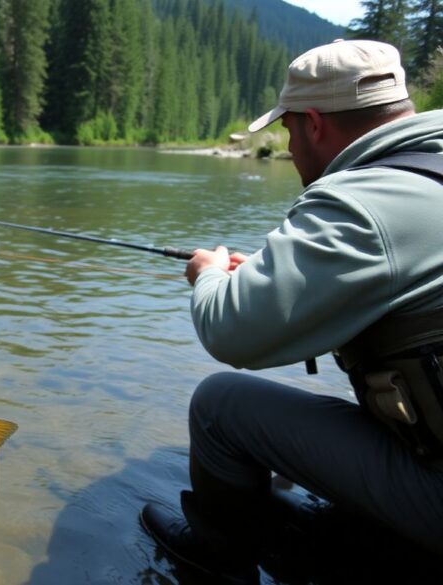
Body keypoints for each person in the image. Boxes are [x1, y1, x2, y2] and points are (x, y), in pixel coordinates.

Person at [139, 39, 443, 583]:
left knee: (219, 404)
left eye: (286, 130)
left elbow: (230, 332)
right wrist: (270, 272)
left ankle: (218, 561)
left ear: (314, 123)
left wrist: (208, 272)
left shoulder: (362, 204)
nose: (290, 142)